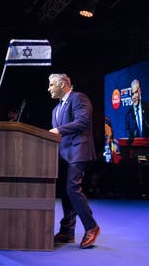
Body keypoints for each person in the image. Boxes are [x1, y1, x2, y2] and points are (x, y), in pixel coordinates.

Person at [47, 73, 100, 249]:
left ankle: (91, 227)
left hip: (79, 150)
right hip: (63, 154)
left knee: (72, 188)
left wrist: (58, 130)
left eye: (51, 84)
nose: (49, 88)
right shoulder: (55, 109)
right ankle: (67, 231)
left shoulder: (78, 98)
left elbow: (83, 122)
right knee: (65, 190)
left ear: (63, 85)